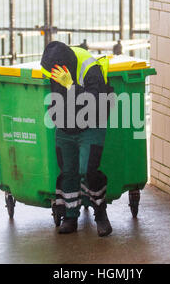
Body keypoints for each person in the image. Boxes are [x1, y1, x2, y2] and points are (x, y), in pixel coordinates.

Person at [41, 41, 113, 237]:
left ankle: (101, 214)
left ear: (66, 66)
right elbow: (55, 97)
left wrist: (71, 86)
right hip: (66, 126)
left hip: (92, 122)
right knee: (68, 171)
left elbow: (96, 102)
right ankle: (70, 216)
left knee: (87, 169)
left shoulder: (89, 68)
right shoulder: (54, 68)